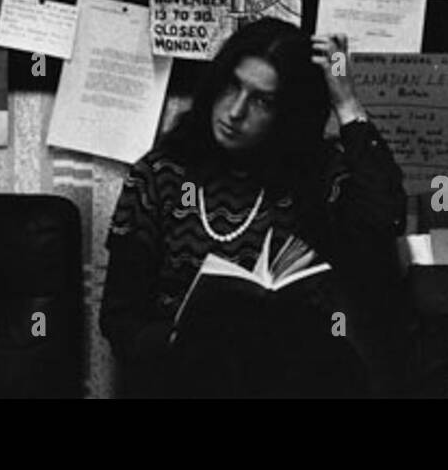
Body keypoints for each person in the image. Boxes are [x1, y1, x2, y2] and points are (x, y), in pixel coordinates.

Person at [99, 20, 407, 397]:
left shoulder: (314, 175)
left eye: (262, 101)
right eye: (232, 86)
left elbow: (384, 218)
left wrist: (346, 102)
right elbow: (119, 318)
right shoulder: (161, 176)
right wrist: (183, 340)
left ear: (290, 115)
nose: (235, 111)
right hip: (186, 379)